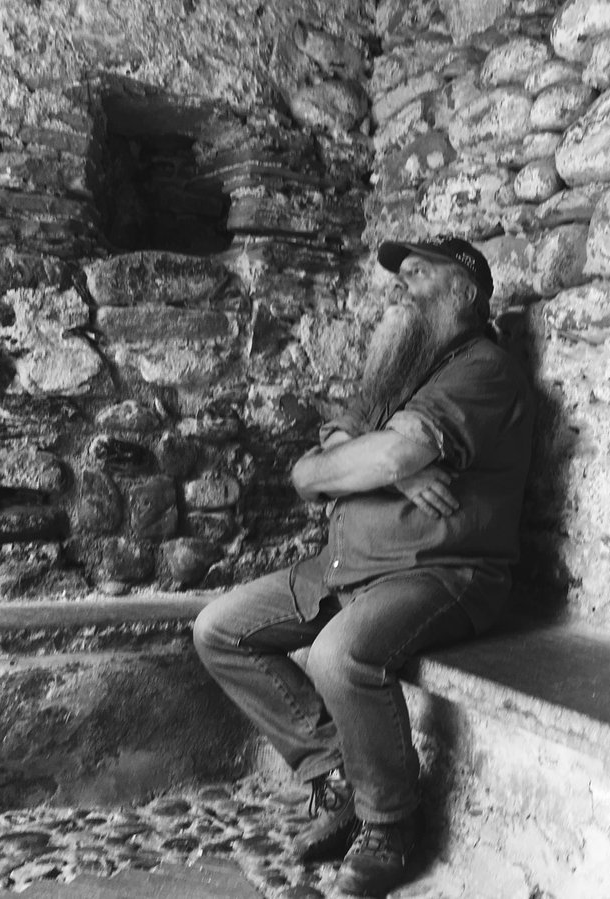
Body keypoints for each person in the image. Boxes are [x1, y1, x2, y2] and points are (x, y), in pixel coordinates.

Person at [192, 235, 535, 897]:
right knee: (219, 628)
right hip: (346, 564)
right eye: (399, 276)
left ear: (464, 290)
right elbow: (311, 469)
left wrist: (380, 461)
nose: (402, 286)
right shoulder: (399, 373)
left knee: (338, 655)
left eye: (419, 273)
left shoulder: (484, 370)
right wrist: (387, 466)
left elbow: (382, 455)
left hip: (441, 570)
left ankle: (390, 825)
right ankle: (337, 777)